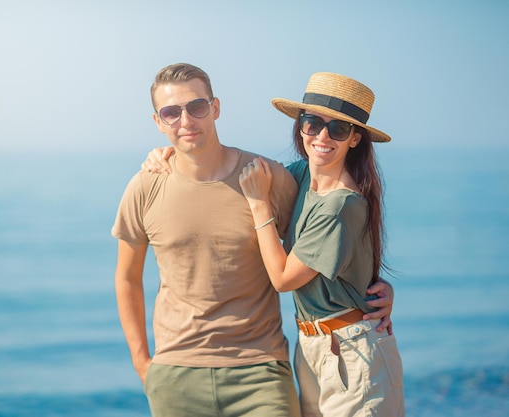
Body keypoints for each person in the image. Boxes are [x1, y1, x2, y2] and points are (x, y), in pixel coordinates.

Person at [113, 63, 394, 417]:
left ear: (215, 108)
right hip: (182, 372)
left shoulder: (270, 181)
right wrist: (142, 362)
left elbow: (319, 244)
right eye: (171, 112)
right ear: (158, 122)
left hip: (268, 370)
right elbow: (126, 278)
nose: (186, 121)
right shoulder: (147, 185)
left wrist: (374, 290)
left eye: (196, 107)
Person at [239, 72, 405, 416]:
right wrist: (170, 156)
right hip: (313, 346)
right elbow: (235, 169)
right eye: (312, 123)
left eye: (338, 129)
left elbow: (283, 280)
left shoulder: (341, 205)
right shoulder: (300, 176)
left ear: (355, 139)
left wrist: (258, 206)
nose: (322, 136)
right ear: (301, 127)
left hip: (352, 352)